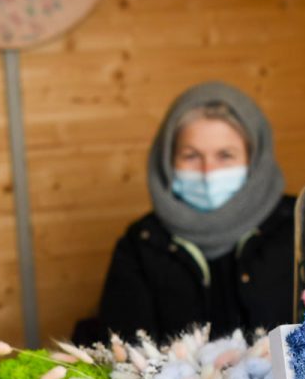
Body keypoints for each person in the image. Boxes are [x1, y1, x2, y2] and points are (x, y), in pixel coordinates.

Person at [92, 81, 294, 343]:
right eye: (191, 156)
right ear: (168, 162)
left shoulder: (299, 226)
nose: (208, 172)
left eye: (225, 155)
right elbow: (125, 349)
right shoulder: (142, 244)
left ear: (254, 160)